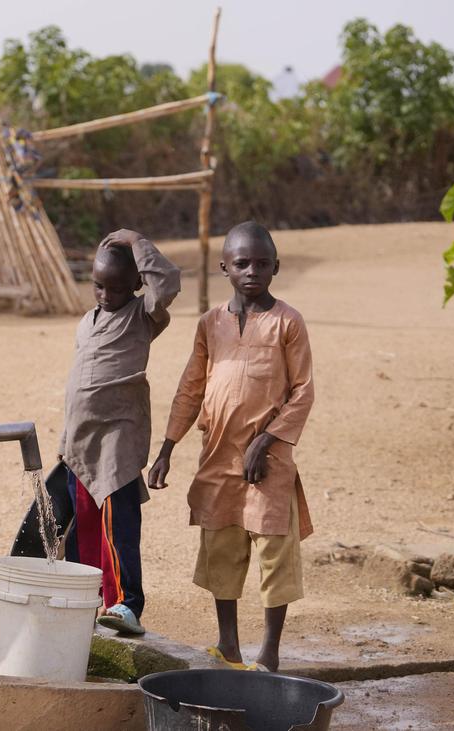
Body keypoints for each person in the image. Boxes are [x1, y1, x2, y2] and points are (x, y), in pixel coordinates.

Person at [148, 221, 315, 673]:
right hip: (218, 456)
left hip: (269, 461)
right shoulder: (210, 324)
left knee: (275, 553)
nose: (252, 271)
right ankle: (229, 644)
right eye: (242, 263)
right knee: (221, 547)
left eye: (262, 263)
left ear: (275, 267)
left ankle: (271, 653)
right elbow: (191, 387)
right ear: (225, 267)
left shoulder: (287, 322)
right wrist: (166, 448)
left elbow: (303, 391)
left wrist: (269, 438)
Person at [54, 228, 180, 636]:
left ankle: (126, 603)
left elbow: (169, 282)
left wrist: (138, 241)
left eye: (116, 288)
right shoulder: (85, 322)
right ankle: (86, 599)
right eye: (98, 286)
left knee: (117, 524)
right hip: (79, 443)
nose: (106, 295)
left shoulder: (143, 317)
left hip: (117, 441)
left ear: (136, 286)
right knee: (84, 527)